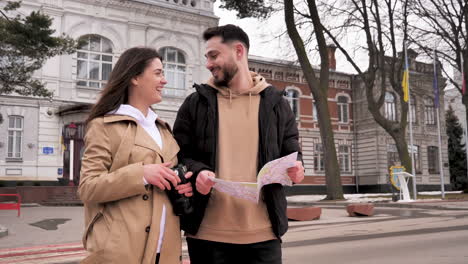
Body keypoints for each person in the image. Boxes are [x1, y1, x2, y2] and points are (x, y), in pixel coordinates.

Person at [173, 24, 304, 264]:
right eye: (207, 57)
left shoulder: (276, 104)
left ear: (239, 51)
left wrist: (296, 168)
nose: (208, 64)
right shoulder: (196, 103)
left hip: (264, 235)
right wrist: (197, 173)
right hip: (207, 236)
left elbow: (292, 151)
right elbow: (178, 156)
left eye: (214, 55)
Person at [78, 47, 193, 264]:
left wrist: (183, 187)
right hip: (120, 253)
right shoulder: (104, 126)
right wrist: (141, 175)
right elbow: (88, 188)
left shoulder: (164, 130)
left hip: (166, 252)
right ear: (135, 77)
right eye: (158, 73)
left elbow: (171, 181)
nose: (165, 80)